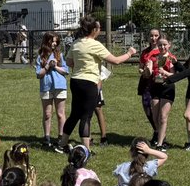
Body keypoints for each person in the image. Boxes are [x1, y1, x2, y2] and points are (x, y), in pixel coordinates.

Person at [60, 15, 137, 151]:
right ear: (93, 30)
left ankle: (62, 144)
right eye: (99, 28)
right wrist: (129, 53)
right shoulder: (95, 45)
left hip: (75, 81)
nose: (100, 30)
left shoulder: (76, 43)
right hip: (89, 82)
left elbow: (69, 62)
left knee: (75, 114)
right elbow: (116, 61)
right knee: (86, 116)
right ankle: (86, 150)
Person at [35, 32, 70, 152]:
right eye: (52, 41)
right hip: (46, 87)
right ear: (47, 41)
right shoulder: (41, 56)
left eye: (56, 41)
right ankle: (47, 138)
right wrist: (47, 67)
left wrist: (55, 67)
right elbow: (39, 75)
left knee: (61, 114)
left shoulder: (59, 54)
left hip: (60, 86)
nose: (54, 43)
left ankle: (61, 137)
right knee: (47, 114)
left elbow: (66, 71)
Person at [146, 36, 178, 148]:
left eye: (164, 45)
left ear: (169, 45)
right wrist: (147, 70)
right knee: (155, 117)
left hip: (167, 88)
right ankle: (161, 137)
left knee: (163, 117)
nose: (162, 47)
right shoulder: (153, 57)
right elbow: (148, 73)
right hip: (155, 87)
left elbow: (174, 75)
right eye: (160, 45)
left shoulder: (171, 58)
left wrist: (164, 72)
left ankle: (160, 144)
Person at [136, 27, 161, 135]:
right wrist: (144, 71)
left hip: (157, 83)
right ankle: (156, 130)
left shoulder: (161, 51)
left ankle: (160, 134)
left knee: (157, 110)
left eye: (156, 35)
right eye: (151, 36)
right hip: (146, 82)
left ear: (159, 37)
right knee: (147, 108)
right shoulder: (145, 52)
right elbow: (140, 67)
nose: (153, 38)